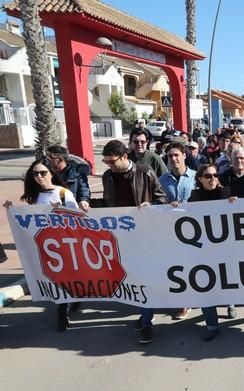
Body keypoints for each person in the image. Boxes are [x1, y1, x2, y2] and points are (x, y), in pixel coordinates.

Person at [97, 140, 166, 344]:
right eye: (106, 161)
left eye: (112, 161)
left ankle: (146, 322)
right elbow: (108, 203)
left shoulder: (145, 172)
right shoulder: (108, 177)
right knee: (132, 278)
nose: (109, 165)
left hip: (145, 235)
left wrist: (151, 204)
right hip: (120, 236)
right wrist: (87, 205)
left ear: (125, 157)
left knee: (143, 277)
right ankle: (145, 313)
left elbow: (162, 198)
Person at [3, 159, 79, 332]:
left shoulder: (63, 193)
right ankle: (62, 308)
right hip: (46, 245)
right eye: (35, 174)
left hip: (66, 243)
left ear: (51, 173)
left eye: (43, 173)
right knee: (56, 278)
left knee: (67, 277)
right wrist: (12, 209)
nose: (39, 176)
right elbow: (29, 219)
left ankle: (67, 305)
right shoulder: (35, 196)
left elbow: (77, 219)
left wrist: (60, 210)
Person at [186, 164, 238, 340]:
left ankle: (230, 302)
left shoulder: (226, 193)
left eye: (215, 175)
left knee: (226, 279)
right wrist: (174, 207)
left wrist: (238, 203)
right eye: (208, 176)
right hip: (203, 250)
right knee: (205, 286)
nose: (213, 179)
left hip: (224, 249)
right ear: (200, 178)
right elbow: (185, 216)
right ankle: (212, 324)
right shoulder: (194, 196)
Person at [46, 145, 90, 212]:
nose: (47, 160)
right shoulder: (45, 173)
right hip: (52, 211)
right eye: (47, 157)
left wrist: (84, 201)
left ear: (60, 159)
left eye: (50, 158)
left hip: (73, 211)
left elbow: (84, 189)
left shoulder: (77, 172)